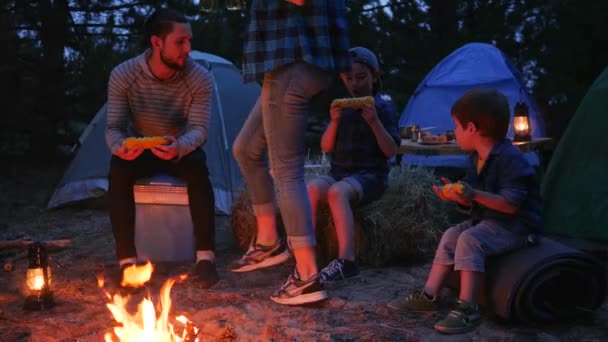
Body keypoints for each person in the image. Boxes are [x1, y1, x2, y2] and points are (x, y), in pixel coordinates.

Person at [388, 88, 543, 334]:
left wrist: (474, 194)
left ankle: (468, 307)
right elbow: (474, 202)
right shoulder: (475, 157)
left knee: (470, 239)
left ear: (471, 128)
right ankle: (429, 295)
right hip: (489, 218)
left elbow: (510, 205)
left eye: (456, 127)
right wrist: (457, 196)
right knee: (452, 234)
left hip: (518, 226)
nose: (454, 133)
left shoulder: (510, 159)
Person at [231, 0, 351, 305]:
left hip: (296, 60)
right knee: (246, 149)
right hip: (286, 62)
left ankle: (307, 275)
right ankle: (268, 240)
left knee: (286, 171)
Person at [105, 8, 218, 289]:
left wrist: (180, 145)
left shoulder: (199, 78)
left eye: (189, 41)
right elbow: (113, 127)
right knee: (118, 171)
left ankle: (205, 257)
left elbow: (200, 129)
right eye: (180, 42)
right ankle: (127, 261)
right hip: (139, 148)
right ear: (157, 43)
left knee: (198, 169)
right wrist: (119, 146)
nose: (188, 49)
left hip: (177, 146)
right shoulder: (124, 74)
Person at [307, 46, 400, 283]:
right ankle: (308, 251)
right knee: (311, 188)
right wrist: (335, 122)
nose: (355, 84)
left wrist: (374, 122)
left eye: (361, 78)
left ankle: (346, 261)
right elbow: (326, 147)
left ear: (375, 76)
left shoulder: (383, 107)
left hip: (370, 176)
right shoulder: (343, 108)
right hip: (340, 171)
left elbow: (390, 151)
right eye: (349, 78)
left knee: (337, 193)